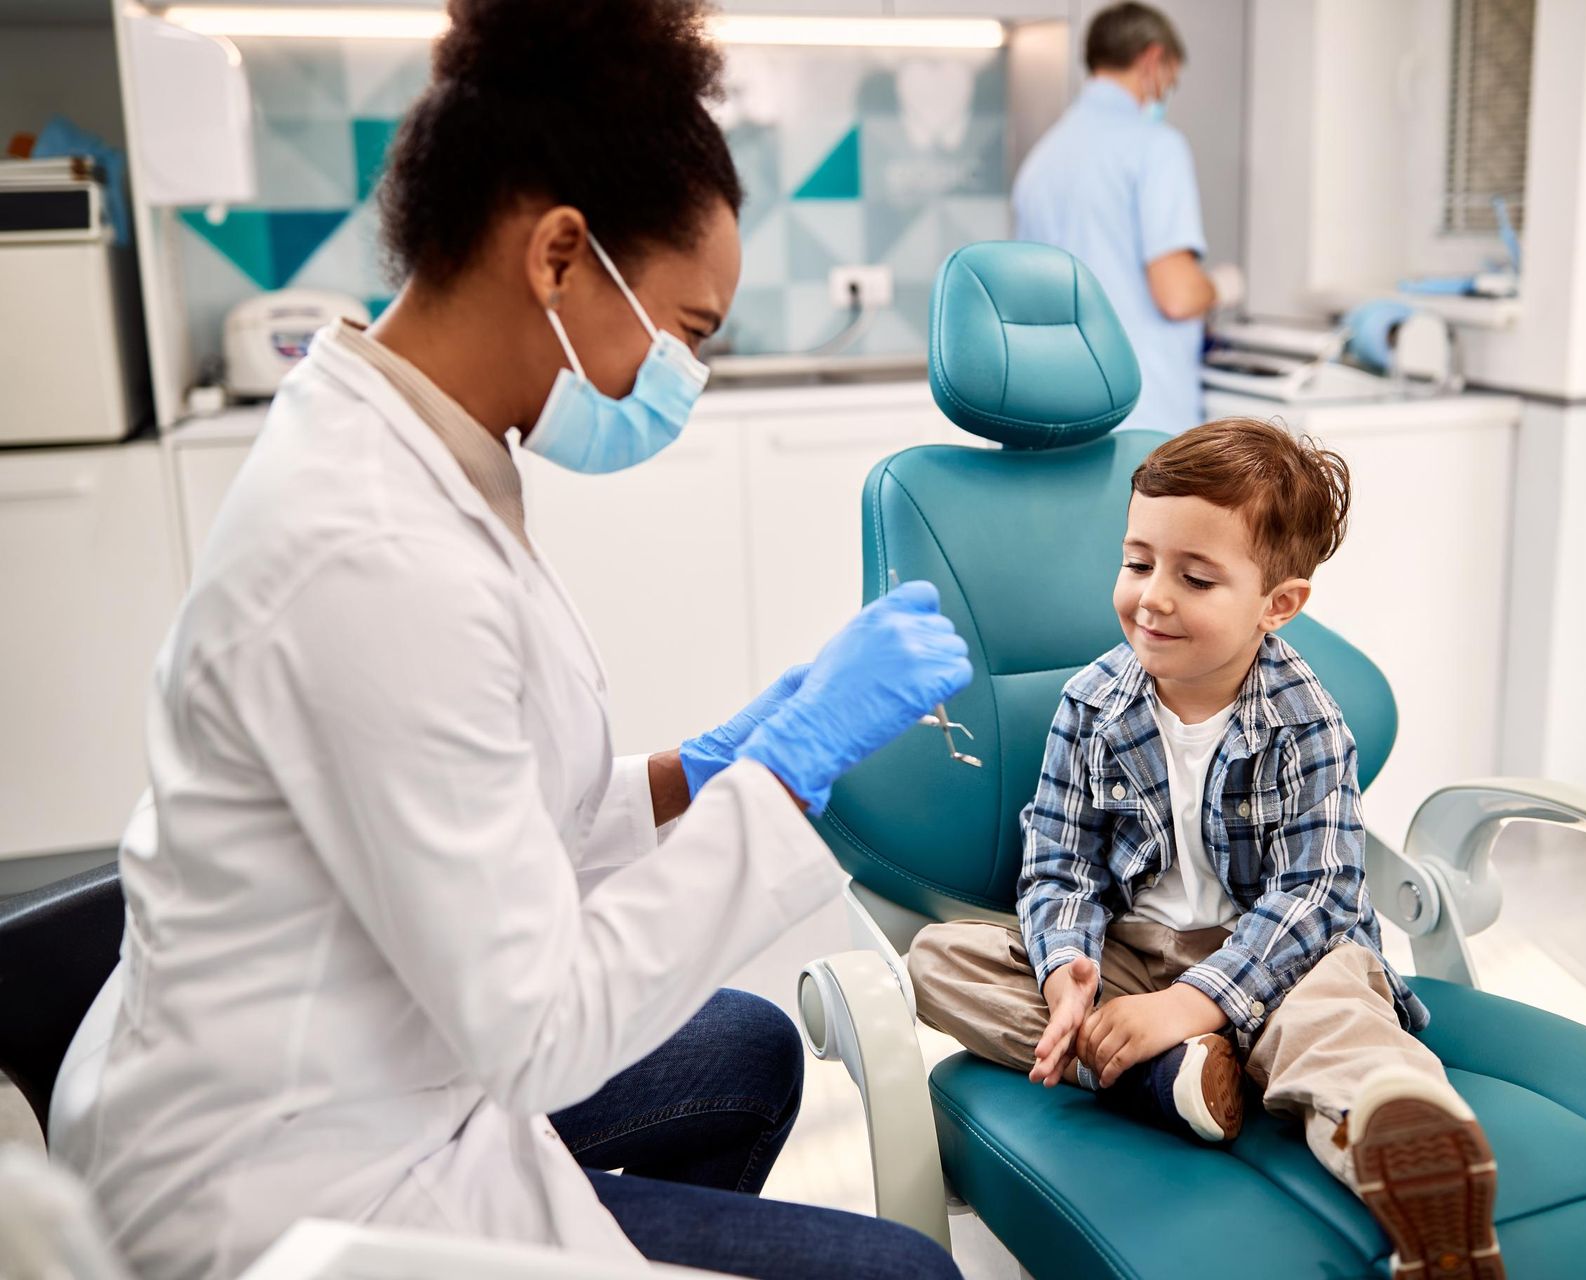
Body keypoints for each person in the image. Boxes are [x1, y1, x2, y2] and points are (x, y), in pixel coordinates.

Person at [47, 3, 969, 1278]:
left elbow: (491, 806)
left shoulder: (418, 442)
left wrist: (699, 769)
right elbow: (541, 1026)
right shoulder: (370, 552)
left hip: (385, 1037)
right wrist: (780, 777)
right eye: (687, 331)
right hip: (281, 1172)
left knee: (746, 1050)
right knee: (904, 1272)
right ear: (558, 257)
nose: (684, 376)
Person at [908, 419, 1506, 1280]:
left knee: (1337, 1013)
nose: (1152, 597)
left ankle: (1405, 1153)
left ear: (1278, 604)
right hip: (1132, 960)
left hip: (1278, 960)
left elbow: (1314, 899)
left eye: (1194, 577)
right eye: (1138, 562)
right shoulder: (1091, 705)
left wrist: (1196, 1003)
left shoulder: (1308, 722)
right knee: (939, 958)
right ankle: (1178, 1077)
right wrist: (1064, 964)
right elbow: (1058, 864)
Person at [1012, 2, 1239, 436]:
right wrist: (1220, 288)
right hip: (1140, 413)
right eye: (1170, 80)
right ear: (1152, 59)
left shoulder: (1042, 160)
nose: (1165, 93)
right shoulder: (1156, 147)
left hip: (1059, 408)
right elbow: (1176, 294)